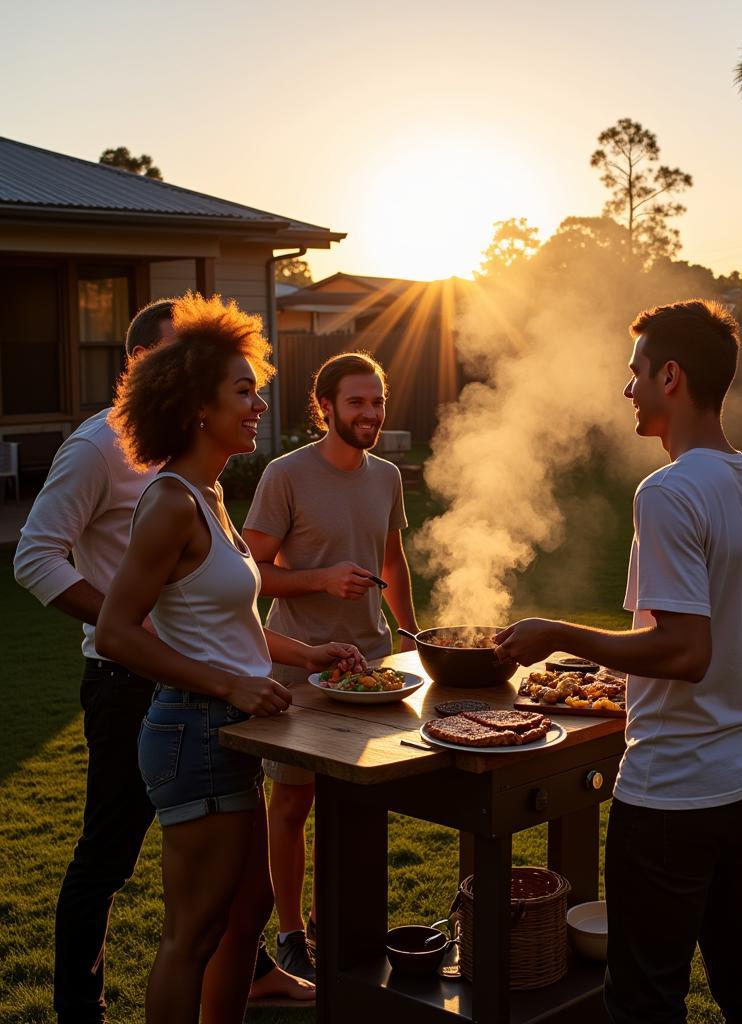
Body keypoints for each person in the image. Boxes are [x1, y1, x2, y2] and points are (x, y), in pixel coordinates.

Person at [495, 299, 742, 1024]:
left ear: (670, 376)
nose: (627, 392)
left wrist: (559, 633)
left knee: (645, 996)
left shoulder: (670, 490)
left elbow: (684, 650)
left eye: (635, 374)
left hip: (673, 793)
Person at [94, 293, 365, 1024]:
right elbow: (119, 632)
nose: (257, 406)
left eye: (256, 390)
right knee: (192, 934)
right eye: (242, 393)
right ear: (196, 408)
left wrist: (308, 651)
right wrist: (230, 687)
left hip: (227, 729)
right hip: (191, 733)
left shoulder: (210, 495)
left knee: (245, 919)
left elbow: (225, 621)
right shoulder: (170, 504)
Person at [14, 298, 174, 1024]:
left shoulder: (183, 447)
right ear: (139, 362)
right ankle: (80, 1011)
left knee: (212, 841)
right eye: (180, 357)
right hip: (127, 686)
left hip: (196, 681)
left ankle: (256, 968)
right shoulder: (96, 446)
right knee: (106, 859)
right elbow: (34, 557)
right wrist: (121, 619)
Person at [242, 351, 419, 980]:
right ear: (324, 408)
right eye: (356, 402)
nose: (370, 413)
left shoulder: (387, 476)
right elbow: (248, 576)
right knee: (292, 804)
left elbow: (393, 561)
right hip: (298, 670)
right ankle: (291, 933)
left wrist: (414, 633)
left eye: (376, 401)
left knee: (357, 805)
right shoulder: (286, 476)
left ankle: (332, 923)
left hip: (372, 668)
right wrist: (319, 579)